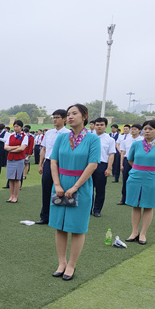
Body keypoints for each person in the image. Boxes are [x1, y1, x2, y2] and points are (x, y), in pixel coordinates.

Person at [50, 104, 100, 281]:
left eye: (74, 113)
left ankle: (71, 264)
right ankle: (61, 262)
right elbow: (53, 161)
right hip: (60, 185)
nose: (70, 117)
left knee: (77, 228)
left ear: (84, 116)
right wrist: (57, 184)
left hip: (81, 186)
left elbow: (92, 165)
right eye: (68, 114)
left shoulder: (93, 139)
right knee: (60, 226)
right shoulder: (62, 138)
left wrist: (75, 187)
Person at [125, 119, 155, 245]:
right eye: (145, 129)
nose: (147, 131)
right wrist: (138, 170)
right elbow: (130, 160)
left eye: (150, 129)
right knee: (136, 205)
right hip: (135, 177)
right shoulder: (136, 144)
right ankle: (134, 232)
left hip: (152, 178)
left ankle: (143, 233)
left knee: (148, 206)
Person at [36, 109, 69, 224]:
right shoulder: (49, 133)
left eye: (57, 117)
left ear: (64, 119)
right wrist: (41, 164)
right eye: (53, 117)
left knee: (60, 190)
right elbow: (44, 149)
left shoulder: (68, 134)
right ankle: (45, 216)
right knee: (46, 189)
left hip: (62, 164)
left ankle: (59, 217)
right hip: (49, 163)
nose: (55, 120)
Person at [90, 117, 117, 217]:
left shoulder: (110, 140)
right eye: (97, 125)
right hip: (88, 165)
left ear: (106, 126)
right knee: (88, 188)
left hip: (102, 165)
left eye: (101, 125)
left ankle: (97, 210)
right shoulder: (89, 137)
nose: (99, 127)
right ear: (94, 126)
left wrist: (108, 168)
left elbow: (111, 154)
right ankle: (88, 209)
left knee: (100, 189)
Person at [4, 120, 29, 203]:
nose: (15, 128)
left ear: (21, 127)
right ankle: (11, 196)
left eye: (17, 126)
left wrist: (11, 149)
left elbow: (22, 148)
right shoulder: (11, 136)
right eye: (14, 126)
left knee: (17, 178)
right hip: (10, 159)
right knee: (11, 178)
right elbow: (5, 147)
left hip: (19, 159)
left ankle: (15, 196)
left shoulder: (25, 136)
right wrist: (15, 147)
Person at [118, 124, 143, 205]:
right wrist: (121, 164)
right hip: (127, 161)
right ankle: (124, 199)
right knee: (126, 180)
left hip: (139, 162)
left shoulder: (143, 140)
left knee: (138, 181)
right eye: (132, 129)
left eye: (135, 129)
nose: (133, 131)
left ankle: (137, 199)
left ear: (140, 130)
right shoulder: (126, 140)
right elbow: (123, 153)